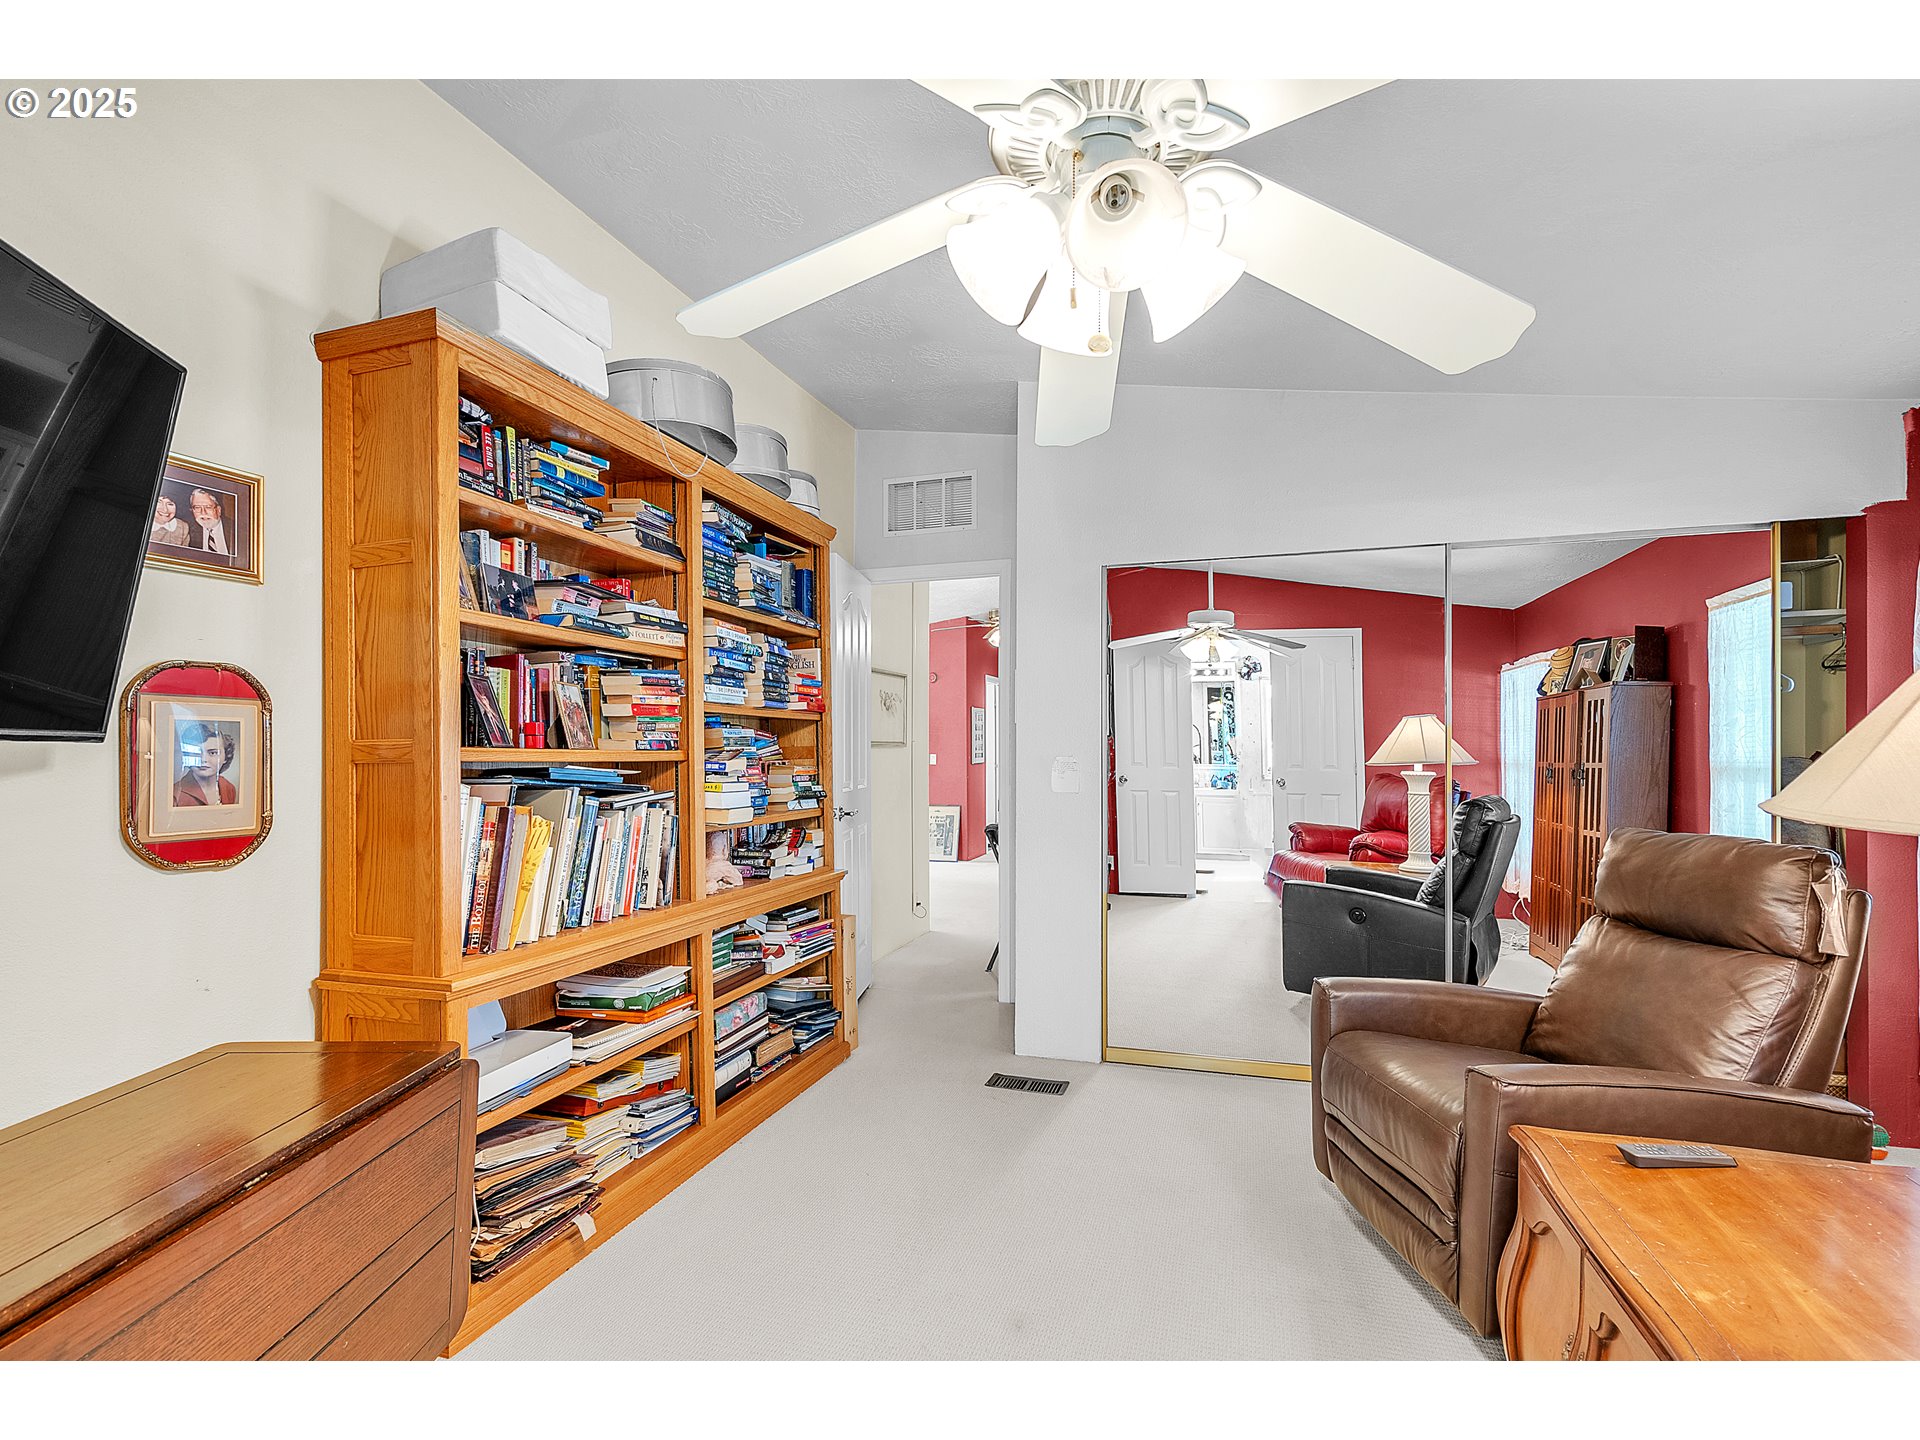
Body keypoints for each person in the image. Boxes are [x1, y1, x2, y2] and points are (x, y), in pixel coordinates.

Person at [173, 723, 238, 807]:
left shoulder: (229, 788)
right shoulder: (175, 795)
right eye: (196, 752)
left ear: (226, 756)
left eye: (213, 753)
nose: (203, 759)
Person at [188, 488, 232, 557]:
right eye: (197, 507)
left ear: (218, 510)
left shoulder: (236, 529)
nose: (203, 512)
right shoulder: (187, 530)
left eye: (208, 507)